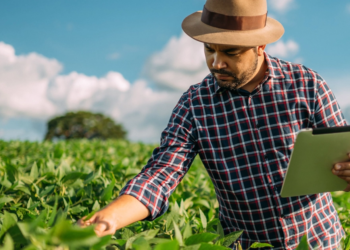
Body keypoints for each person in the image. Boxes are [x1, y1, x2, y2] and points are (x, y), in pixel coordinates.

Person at [78, 0, 350, 249]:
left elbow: (341, 150)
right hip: (245, 244)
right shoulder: (194, 104)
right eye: (209, 49)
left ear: (260, 46)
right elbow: (161, 173)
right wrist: (110, 217)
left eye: (231, 52)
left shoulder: (306, 83)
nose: (216, 63)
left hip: (318, 240)